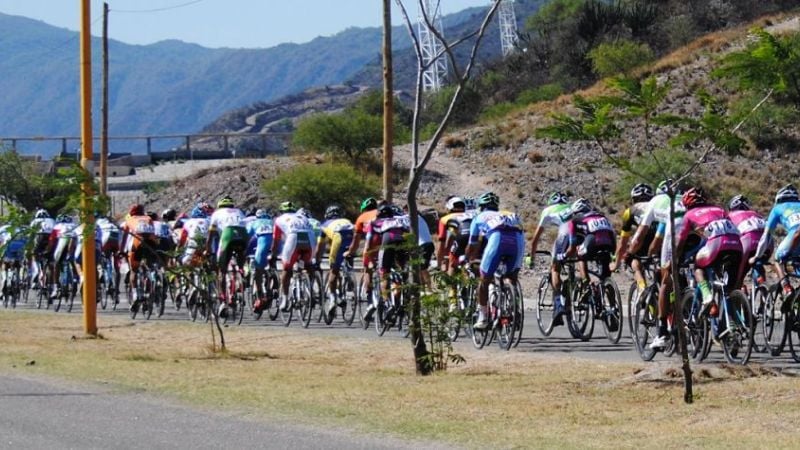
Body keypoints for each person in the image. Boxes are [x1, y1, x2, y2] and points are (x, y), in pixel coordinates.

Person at [627, 179, 686, 350]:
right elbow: (659, 234)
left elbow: (641, 234)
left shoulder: (654, 203)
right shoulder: (681, 200)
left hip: (674, 233)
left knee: (666, 280)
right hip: (695, 232)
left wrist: (630, 254)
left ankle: (662, 332)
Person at [675, 187, 742, 321]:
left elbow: (680, 241)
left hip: (716, 244)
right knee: (727, 290)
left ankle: (706, 295)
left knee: (697, 267)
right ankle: (732, 325)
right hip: (737, 245)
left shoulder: (689, 215)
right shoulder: (720, 210)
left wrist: (676, 259)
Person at [465, 192, 525, 330]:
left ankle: (483, 317)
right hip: (518, 240)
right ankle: (514, 311)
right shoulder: (508, 213)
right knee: (511, 278)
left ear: (481, 207)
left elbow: (472, 244)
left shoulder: (478, 217)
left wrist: (469, 260)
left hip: (497, 240)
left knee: (484, 280)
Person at [527, 191, 571, 322]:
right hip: (582, 234)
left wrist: (532, 258)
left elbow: (535, 239)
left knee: (555, 268)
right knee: (578, 260)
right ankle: (576, 284)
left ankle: (558, 305)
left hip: (565, 235)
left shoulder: (548, 210)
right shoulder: (571, 207)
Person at [750, 184, 800, 295]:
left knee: (777, 259)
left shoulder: (777, 208)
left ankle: (786, 287)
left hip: (795, 236)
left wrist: (757, 256)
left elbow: (766, 236)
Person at [363, 203, 411, 317]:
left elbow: (369, 243)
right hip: (404, 242)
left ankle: (388, 302)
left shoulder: (374, 222)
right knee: (401, 271)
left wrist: (369, 258)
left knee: (384, 273)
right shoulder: (399, 220)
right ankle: (401, 297)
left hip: (388, 241)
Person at [270, 201, 316, 311]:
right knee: (308, 265)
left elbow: (276, 241)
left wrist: (272, 254)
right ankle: (310, 289)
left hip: (293, 238)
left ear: (281, 211)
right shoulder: (302, 217)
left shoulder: (279, 220)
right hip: (310, 239)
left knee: (287, 268)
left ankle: (285, 299)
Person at [610, 183, 655, 294]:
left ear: (633, 198)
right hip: (660, 239)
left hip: (643, 240)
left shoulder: (629, 211)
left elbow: (623, 242)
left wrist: (616, 263)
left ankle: (642, 287)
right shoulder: (657, 206)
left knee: (634, 262)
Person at [208, 196, 248, 315]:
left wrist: (208, 249)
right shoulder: (239, 211)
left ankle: (223, 300)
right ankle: (242, 274)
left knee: (222, 270)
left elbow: (211, 235)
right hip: (243, 236)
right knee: (241, 260)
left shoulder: (216, 213)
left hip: (227, 235)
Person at [315, 205, 354, 315]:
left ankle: (333, 298)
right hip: (352, 238)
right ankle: (349, 275)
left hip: (338, 239)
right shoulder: (346, 220)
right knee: (348, 256)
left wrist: (317, 262)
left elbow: (320, 246)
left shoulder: (324, 224)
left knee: (334, 270)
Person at [727, 195, 770, 290]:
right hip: (768, 243)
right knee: (758, 262)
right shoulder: (756, 214)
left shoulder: (730, 216)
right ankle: (762, 287)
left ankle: (739, 288)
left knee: (737, 273)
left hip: (749, 242)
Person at [120, 204, 157, 309]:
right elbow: (153, 234)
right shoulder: (149, 218)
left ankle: (136, 294)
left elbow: (124, 237)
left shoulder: (130, 220)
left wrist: (121, 250)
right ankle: (148, 292)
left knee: (134, 270)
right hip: (151, 242)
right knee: (149, 268)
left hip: (137, 243)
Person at [344, 197, 379, 296]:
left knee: (367, 267)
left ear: (364, 209)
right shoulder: (381, 212)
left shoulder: (362, 217)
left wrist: (350, 252)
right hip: (387, 237)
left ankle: (369, 297)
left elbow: (356, 240)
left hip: (372, 239)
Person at [246, 209, 274, 313]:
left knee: (258, 272)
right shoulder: (272, 222)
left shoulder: (254, 223)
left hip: (262, 245)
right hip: (277, 245)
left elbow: (247, 237)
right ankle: (273, 282)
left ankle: (259, 298)